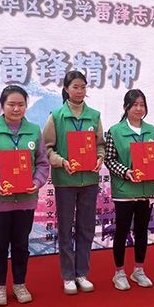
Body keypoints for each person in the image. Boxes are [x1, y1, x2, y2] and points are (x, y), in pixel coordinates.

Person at [0, 85, 50, 306]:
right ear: (2, 105)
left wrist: (37, 182)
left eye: (21, 104)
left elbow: (42, 163)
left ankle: (19, 284)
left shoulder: (33, 130)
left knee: (21, 245)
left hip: (25, 200)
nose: (16, 109)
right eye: (11, 104)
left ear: (26, 106)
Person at [43, 71, 105, 295]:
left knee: (86, 228)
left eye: (83, 87)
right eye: (75, 87)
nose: (80, 91)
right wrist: (61, 162)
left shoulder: (94, 116)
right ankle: (68, 275)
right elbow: (46, 149)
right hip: (65, 181)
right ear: (66, 89)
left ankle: (82, 273)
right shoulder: (56, 116)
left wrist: (100, 158)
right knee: (66, 229)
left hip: (89, 180)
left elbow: (100, 144)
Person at [105, 89, 154, 290]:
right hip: (124, 191)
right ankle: (119, 272)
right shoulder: (115, 131)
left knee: (142, 231)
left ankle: (139, 270)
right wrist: (126, 172)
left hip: (146, 190)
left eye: (142, 104)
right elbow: (109, 160)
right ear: (126, 107)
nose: (139, 108)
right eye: (134, 104)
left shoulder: (151, 130)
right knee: (122, 231)